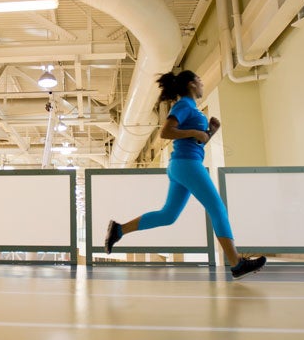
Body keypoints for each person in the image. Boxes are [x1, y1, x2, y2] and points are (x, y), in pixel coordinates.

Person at [104, 70, 266, 279]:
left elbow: (198, 141)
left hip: (182, 165)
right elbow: (165, 132)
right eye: (199, 80)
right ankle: (236, 264)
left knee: (168, 215)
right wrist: (195, 132)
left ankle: (118, 230)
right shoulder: (184, 105)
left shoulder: (192, 109)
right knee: (217, 208)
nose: (201, 84)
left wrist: (210, 132)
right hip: (186, 164)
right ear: (191, 84)